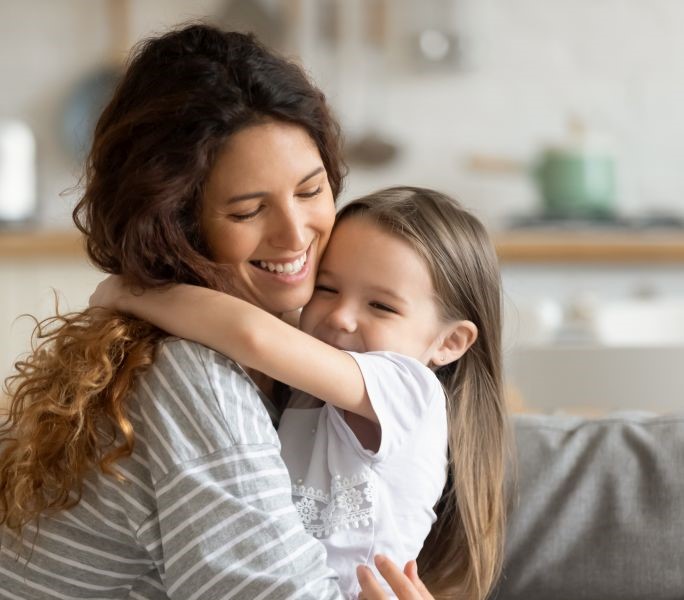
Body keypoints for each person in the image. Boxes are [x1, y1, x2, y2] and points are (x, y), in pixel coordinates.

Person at [0, 23, 427, 599]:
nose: (296, 234)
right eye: (249, 211)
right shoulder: (193, 375)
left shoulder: (302, 354)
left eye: (310, 191)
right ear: (177, 225)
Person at [91, 186, 508, 599]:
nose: (341, 317)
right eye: (326, 289)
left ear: (448, 342)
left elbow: (252, 335)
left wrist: (129, 293)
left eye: (381, 306)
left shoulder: (411, 391)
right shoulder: (317, 386)